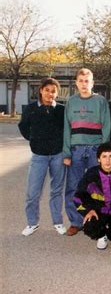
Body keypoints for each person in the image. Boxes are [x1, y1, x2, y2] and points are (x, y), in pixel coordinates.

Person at [63, 68, 111, 236]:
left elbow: (106, 126)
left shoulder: (100, 101)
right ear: (76, 83)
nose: (84, 84)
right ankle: (76, 221)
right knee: (73, 186)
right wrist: (66, 152)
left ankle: (99, 219)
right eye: (81, 81)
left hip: (95, 149)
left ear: (92, 83)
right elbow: (66, 129)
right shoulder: (71, 101)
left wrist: (104, 153)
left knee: (97, 186)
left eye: (87, 81)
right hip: (76, 150)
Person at [19, 77, 66, 236]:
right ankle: (32, 223)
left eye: (53, 91)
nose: (50, 94)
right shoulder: (31, 109)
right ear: (41, 90)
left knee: (56, 190)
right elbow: (23, 126)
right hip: (39, 155)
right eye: (47, 90)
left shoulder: (61, 110)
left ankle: (58, 222)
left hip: (57, 155)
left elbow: (67, 130)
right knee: (33, 192)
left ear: (57, 93)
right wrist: (33, 139)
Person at [74, 143, 111, 250]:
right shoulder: (91, 175)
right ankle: (101, 235)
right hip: (98, 211)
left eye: (110, 156)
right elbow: (79, 195)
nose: (107, 160)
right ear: (98, 159)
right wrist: (88, 210)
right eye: (104, 157)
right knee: (90, 225)